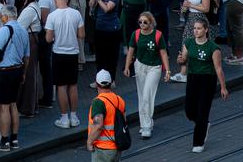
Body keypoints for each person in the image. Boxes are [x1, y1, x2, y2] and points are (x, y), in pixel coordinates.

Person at [177, 18, 228, 153]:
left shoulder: (213, 48)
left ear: (206, 30)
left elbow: (218, 69)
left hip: (207, 79)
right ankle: (204, 124)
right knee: (189, 110)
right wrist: (180, 60)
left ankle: (198, 143)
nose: (196, 31)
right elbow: (184, 60)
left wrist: (223, 87)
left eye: (199, 28)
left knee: (202, 111)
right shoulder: (188, 43)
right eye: (194, 28)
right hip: (193, 78)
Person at [0, 5, 28, 152]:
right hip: (18, 69)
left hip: (4, 72)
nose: (1, 18)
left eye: (2, 16)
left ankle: (4, 141)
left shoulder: (5, 29)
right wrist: (24, 73)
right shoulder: (23, 30)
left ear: (6, 17)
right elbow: (27, 56)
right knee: (13, 105)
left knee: (4, 107)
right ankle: (14, 139)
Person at [123, 11, 168, 139]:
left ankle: (146, 126)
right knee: (142, 95)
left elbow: (164, 53)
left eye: (145, 22)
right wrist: (127, 67)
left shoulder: (158, 35)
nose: (142, 24)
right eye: (140, 22)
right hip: (140, 66)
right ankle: (145, 122)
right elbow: (131, 52)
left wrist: (168, 71)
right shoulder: (136, 34)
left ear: (151, 23)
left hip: (155, 67)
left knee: (148, 94)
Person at [44, 0, 84, 129]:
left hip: (58, 53)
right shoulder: (76, 14)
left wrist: (54, 36)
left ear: (56, 1)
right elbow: (81, 35)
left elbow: (48, 38)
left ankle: (64, 117)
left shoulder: (52, 16)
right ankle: (74, 116)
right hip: (73, 53)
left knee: (61, 86)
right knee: (73, 85)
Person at [85, 70, 125, 162]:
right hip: (117, 146)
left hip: (103, 148)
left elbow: (98, 126)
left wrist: (89, 142)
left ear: (96, 84)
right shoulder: (119, 100)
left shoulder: (98, 102)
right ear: (111, 83)